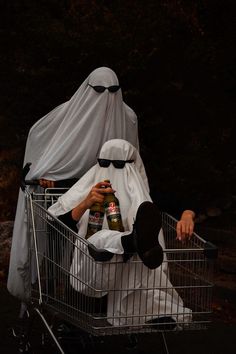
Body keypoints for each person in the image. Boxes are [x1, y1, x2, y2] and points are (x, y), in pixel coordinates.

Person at [7, 67, 140, 301]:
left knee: (97, 252)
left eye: (112, 91)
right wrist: (42, 172)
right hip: (62, 195)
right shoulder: (65, 115)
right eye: (99, 90)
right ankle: (52, 299)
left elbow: (132, 158)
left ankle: (88, 302)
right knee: (57, 253)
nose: (105, 98)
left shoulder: (127, 118)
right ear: (88, 90)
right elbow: (41, 140)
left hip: (108, 196)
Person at [48, 139, 195, 326]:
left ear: (133, 165)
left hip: (127, 269)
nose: (111, 170)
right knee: (100, 240)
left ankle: (134, 245)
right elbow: (58, 222)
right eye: (104, 163)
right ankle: (131, 241)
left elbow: (175, 202)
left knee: (137, 263)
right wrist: (85, 203)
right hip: (90, 267)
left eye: (119, 165)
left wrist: (187, 215)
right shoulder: (87, 185)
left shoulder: (142, 195)